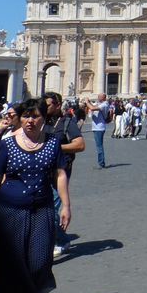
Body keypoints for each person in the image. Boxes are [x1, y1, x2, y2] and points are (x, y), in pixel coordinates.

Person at [0, 98, 71, 293]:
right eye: (26, 116)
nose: (30, 121)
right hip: (8, 210)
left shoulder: (52, 143)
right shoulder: (8, 144)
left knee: (40, 261)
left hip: (42, 209)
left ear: (44, 118)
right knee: (10, 264)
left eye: (35, 116)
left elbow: (60, 174)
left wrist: (66, 205)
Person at [43, 92, 85, 257]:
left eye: (47, 105)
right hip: (42, 171)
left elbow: (80, 145)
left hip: (60, 172)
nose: (44, 108)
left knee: (51, 209)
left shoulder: (67, 122)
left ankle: (61, 240)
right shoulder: (41, 122)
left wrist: (56, 148)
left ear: (58, 105)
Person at [85, 93, 111, 169]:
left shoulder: (105, 105)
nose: (97, 97)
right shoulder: (100, 103)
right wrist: (89, 102)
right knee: (99, 146)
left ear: (102, 98)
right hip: (97, 127)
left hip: (99, 128)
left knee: (99, 146)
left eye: (98, 96)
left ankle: (101, 163)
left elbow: (92, 108)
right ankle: (101, 162)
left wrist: (87, 102)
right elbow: (92, 105)